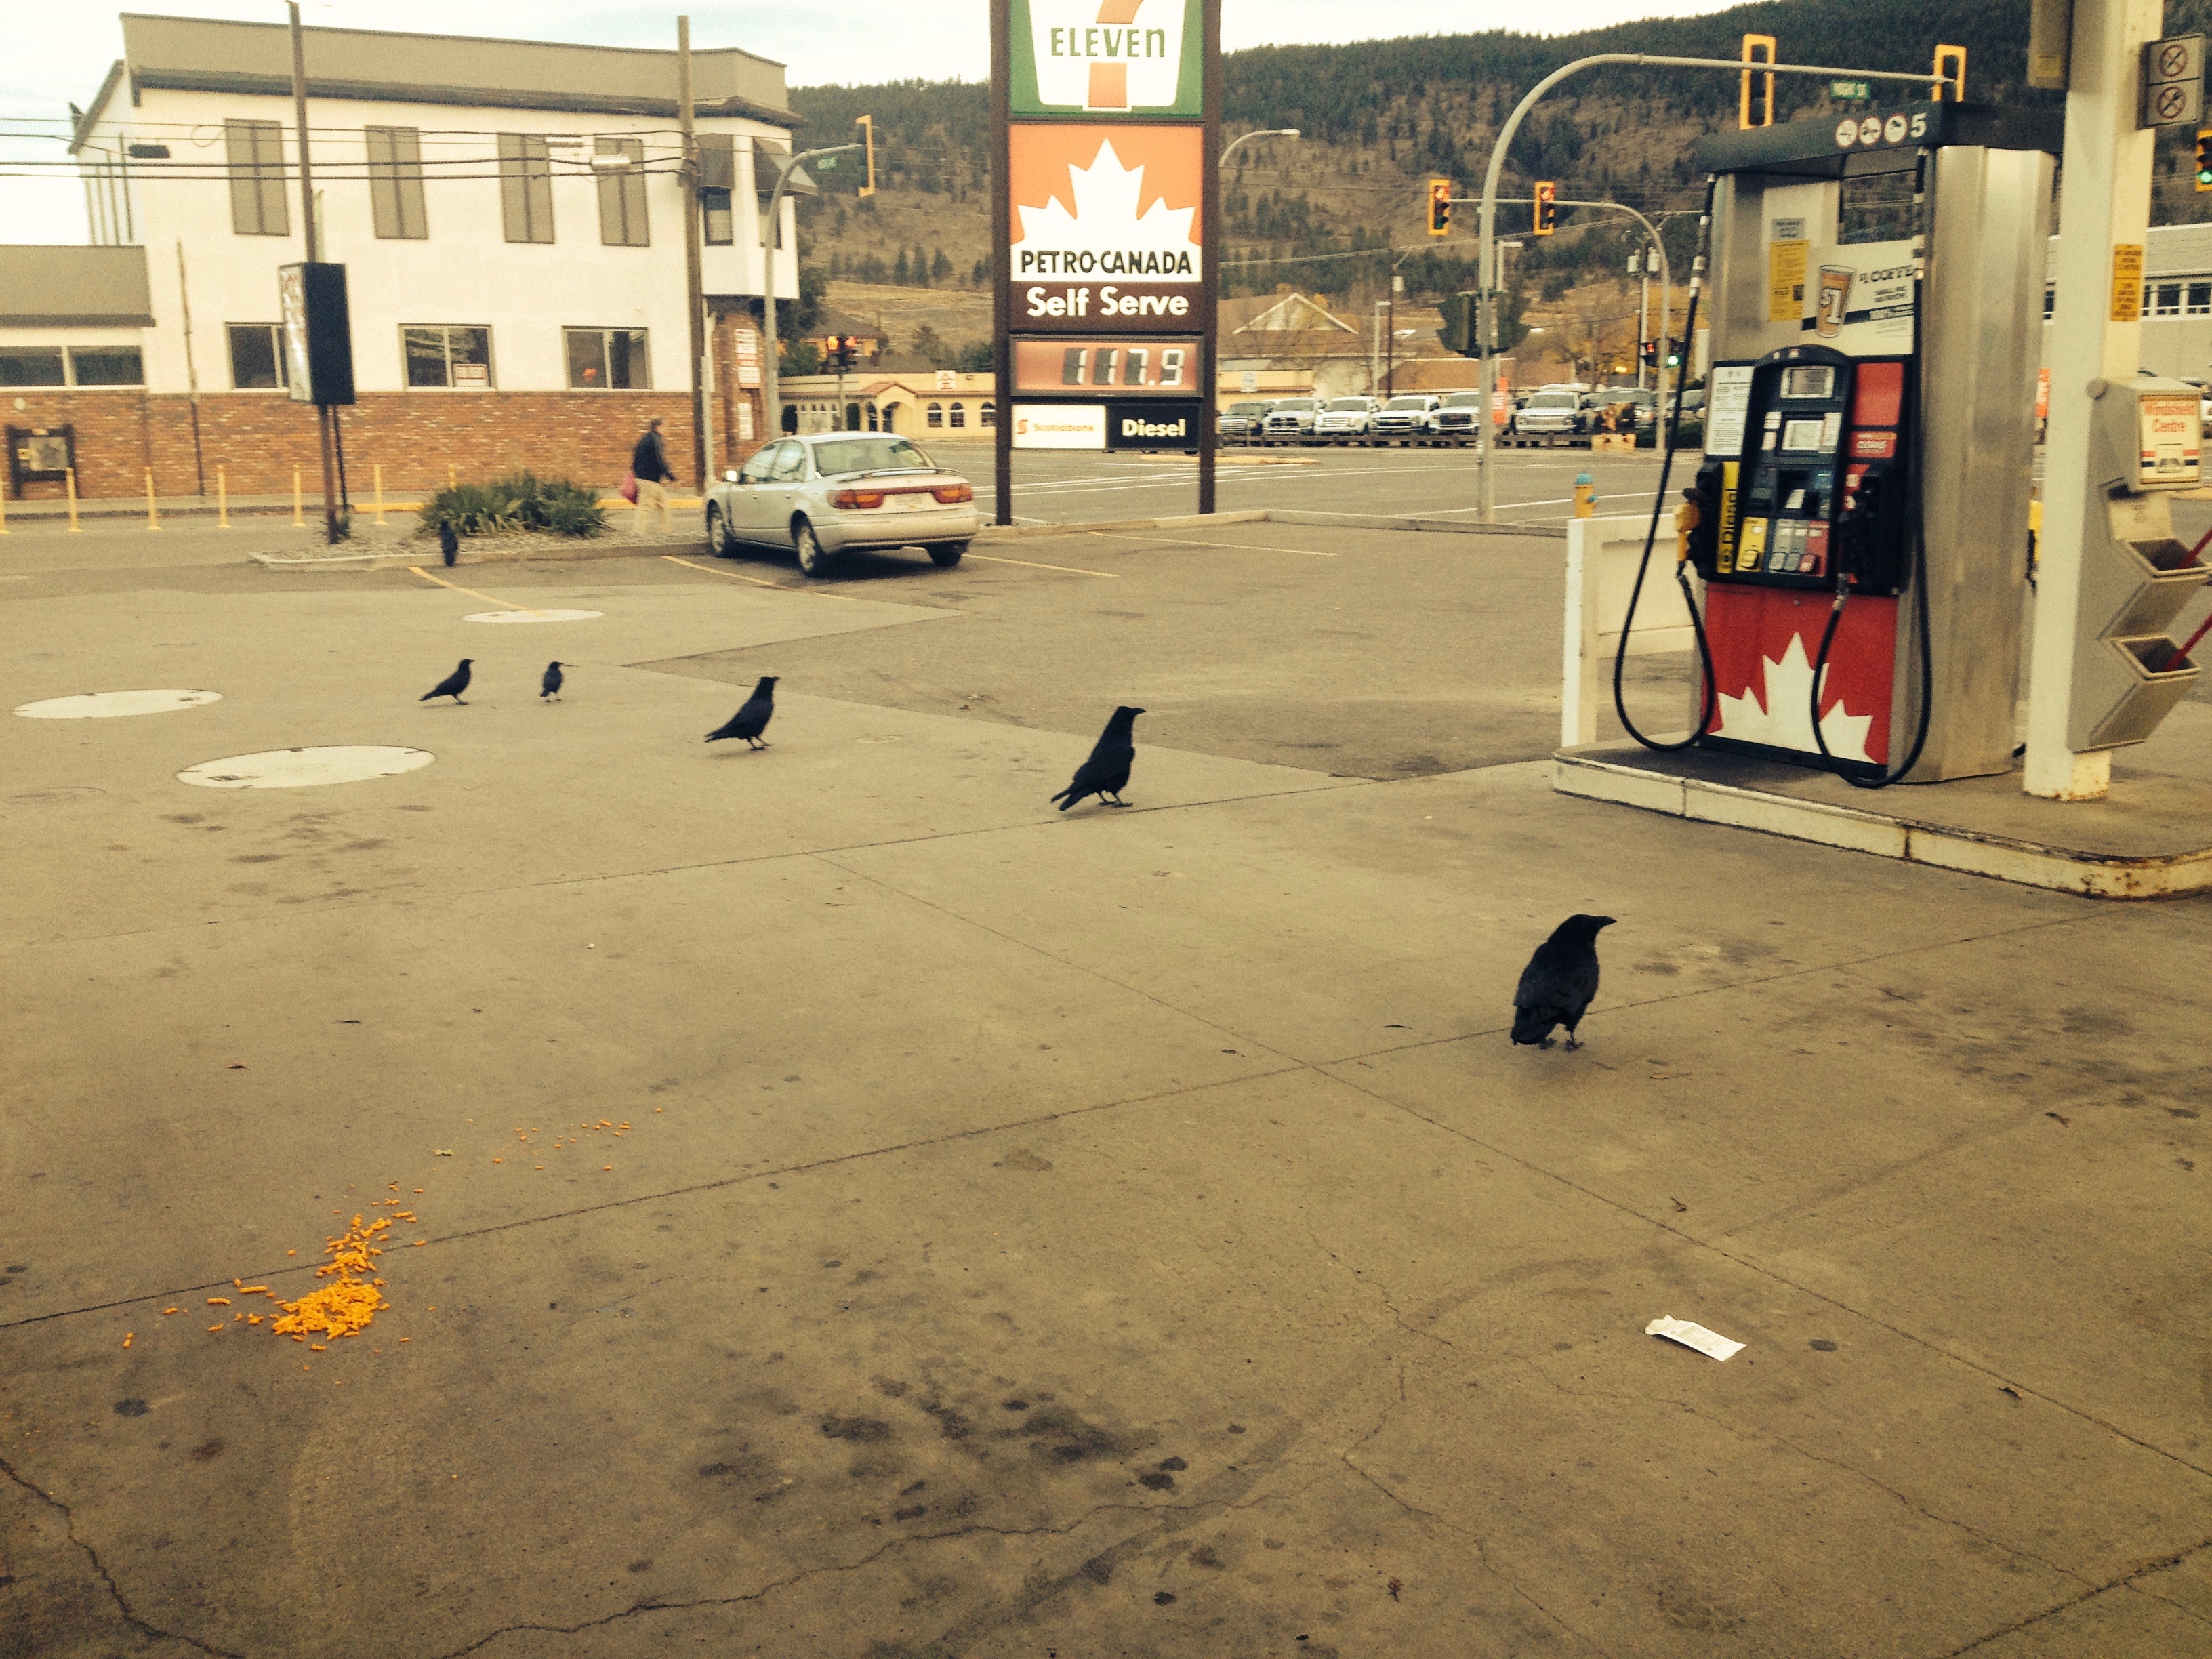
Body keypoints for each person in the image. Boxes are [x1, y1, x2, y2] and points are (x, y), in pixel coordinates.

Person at [631, 418, 676, 538]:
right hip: (649, 479)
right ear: (658, 427)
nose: (667, 430)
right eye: (665, 427)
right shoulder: (655, 440)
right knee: (645, 506)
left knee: (663, 504)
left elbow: (635, 458)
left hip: (646, 478)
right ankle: (638, 532)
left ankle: (666, 531)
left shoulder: (646, 438)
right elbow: (660, 459)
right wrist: (670, 476)